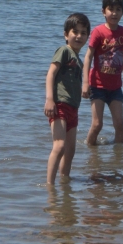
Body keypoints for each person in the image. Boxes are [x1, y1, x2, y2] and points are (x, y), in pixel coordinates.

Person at [44, 13, 91, 184]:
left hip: (73, 108)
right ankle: (50, 185)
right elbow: (50, 74)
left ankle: (64, 182)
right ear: (66, 34)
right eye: (75, 32)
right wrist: (49, 99)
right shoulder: (64, 51)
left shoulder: (79, 61)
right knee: (60, 145)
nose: (79, 36)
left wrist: (85, 90)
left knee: (70, 150)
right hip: (59, 105)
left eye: (83, 32)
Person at [82, 0, 123, 145]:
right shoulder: (98, 32)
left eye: (118, 9)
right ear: (103, 11)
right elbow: (88, 56)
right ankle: (91, 153)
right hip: (97, 85)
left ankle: (118, 159)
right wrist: (85, 83)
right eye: (111, 9)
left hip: (115, 87)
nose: (114, 13)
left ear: (122, 12)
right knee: (97, 125)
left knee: (119, 125)